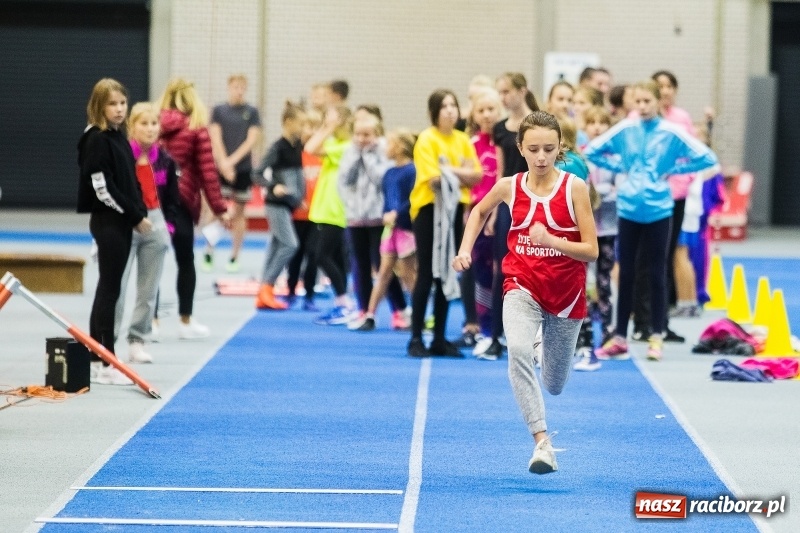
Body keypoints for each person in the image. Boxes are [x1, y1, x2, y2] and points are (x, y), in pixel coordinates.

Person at [454, 110, 598, 474]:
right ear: (520, 147)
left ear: (560, 147)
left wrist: (551, 240)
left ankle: (541, 347)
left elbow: (591, 250)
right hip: (521, 285)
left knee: (555, 384)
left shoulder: (574, 188)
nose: (541, 157)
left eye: (549, 149)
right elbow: (478, 211)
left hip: (566, 296)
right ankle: (542, 444)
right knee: (515, 350)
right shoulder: (509, 186)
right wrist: (465, 249)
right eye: (533, 148)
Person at [584, 80, 718, 361]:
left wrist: (673, 168)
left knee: (658, 272)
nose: (642, 107)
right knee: (627, 272)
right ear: (632, 102)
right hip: (628, 209)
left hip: (659, 210)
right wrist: (623, 167)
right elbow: (593, 150)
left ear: (657, 102)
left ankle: (656, 336)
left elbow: (707, 157)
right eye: (638, 101)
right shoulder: (625, 129)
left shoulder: (672, 131)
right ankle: (620, 336)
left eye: (648, 101)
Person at [77, 78, 151, 385]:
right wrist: (135, 216)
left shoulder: (118, 136)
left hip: (121, 222)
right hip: (108, 222)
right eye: (112, 104)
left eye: (122, 103)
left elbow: (129, 179)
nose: (119, 110)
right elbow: (102, 187)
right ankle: (104, 360)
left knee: (109, 289)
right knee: (109, 291)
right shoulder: (96, 139)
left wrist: (140, 208)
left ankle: (101, 356)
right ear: (99, 106)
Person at [407, 89, 482, 357]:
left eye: (454, 105)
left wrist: (449, 170)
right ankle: (416, 337)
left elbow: (477, 175)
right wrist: (457, 173)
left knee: (448, 273)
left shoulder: (463, 140)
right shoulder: (426, 140)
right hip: (429, 210)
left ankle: (439, 337)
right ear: (434, 112)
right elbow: (433, 179)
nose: (450, 110)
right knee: (428, 271)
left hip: (454, 211)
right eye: (444, 106)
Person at [158, 77, 231, 339]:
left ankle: (152, 321)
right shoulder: (196, 128)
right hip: (181, 200)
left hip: (153, 200)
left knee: (151, 261)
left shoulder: (151, 123)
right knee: (185, 261)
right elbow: (207, 172)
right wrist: (220, 208)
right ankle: (185, 321)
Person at [114, 102, 179, 364]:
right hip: (126, 222)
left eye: (154, 124)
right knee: (116, 287)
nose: (150, 129)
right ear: (133, 126)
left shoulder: (164, 160)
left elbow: (172, 198)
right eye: (144, 123)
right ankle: (108, 342)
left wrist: (168, 228)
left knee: (148, 290)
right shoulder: (121, 155)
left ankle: (138, 340)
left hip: (155, 221)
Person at [483, 72, 539, 359]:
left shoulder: (538, 123)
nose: (503, 97)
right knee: (501, 268)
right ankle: (496, 336)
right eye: (500, 92)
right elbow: (501, 172)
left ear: (522, 90)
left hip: (536, 201)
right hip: (509, 203)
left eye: (507, 91)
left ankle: (533, 338)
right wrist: (492, 212)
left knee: (533, 269)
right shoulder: (500, 129)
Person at [337, 112, 409, 330]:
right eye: (358, 134)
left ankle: (399, 309)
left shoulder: (384, 151)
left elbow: (382, 178)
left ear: (376, 134)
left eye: (367, 134)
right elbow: (344, 179)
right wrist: (356, 157)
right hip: (356, 216)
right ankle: (363, 309)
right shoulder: (349, 152)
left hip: (379, 217)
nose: (362, 139)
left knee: (383, 265)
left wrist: (367, 157)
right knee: (359, 264)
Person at [252, 101, 307, 310]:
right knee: (290, 245)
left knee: (276, 247)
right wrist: (273, 186)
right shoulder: (277, 147)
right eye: (300, 124)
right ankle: (267, 286)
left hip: (288, 205)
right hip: (276, 205)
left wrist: (297, 197)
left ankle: (264, 292)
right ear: (288, 122)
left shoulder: (296, 146)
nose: (303, 129)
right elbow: (256, 174)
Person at [459, 87, 502, 356]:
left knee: (503, 269)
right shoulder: (470, 144)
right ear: (473, 114)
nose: (486, 115)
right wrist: (467, 210)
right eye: (481, 110)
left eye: (491, 109)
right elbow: (466, 180)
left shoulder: (507, 142)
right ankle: (483, 325)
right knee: (480, 271)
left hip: (502, 212)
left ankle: (500, 327)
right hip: (477, 211)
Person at [306, 104, 356, 324]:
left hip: (336, 210)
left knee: (322, 256)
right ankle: (341, 302)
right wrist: (328, 127)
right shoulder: (335, 144)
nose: (326, 121)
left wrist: (329, 127)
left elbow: (311, 148)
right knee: (332, 257)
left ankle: (344, 301)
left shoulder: (346, 146)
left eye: (331, 118)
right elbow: (311, 145)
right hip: (325, 209)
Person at [206, 74, 262, 272]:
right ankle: (209, 252)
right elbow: (215, 137)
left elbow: (251, 140)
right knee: (217, 211)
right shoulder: (219, 111)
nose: (239, 90)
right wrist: (223, 163)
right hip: (221, 168)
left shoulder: (252, 112)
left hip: (243, 169)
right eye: (235, 86)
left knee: (239, 213)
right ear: (229, 87)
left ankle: (234, 256)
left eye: (242, 87)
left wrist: (232, 162)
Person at [285, 108, 322, 311]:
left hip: (317, 214)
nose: (312, 131)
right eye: (308, 127)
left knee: (314, 254)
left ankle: (309, 294)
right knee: (295, 254)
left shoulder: (323, 155)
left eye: (317, 128)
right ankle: (291, 290)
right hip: (297, 213)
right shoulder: (295, 154)